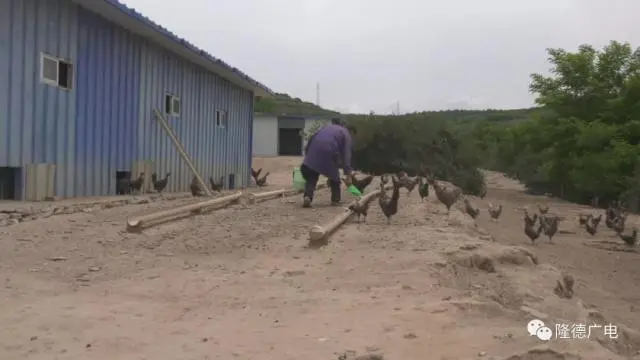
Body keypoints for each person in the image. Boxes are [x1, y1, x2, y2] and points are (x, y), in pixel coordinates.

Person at [300, 120, 356, 208]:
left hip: (314, 150)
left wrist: (308, 156)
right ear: (351, 131)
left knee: (312, 176)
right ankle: (335, 200)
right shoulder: (345, 133)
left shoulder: (327, 127)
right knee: (335, 177)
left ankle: (308, 197)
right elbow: (346, 156)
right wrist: (348, 174)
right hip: (329, 150)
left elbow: (311, 139)